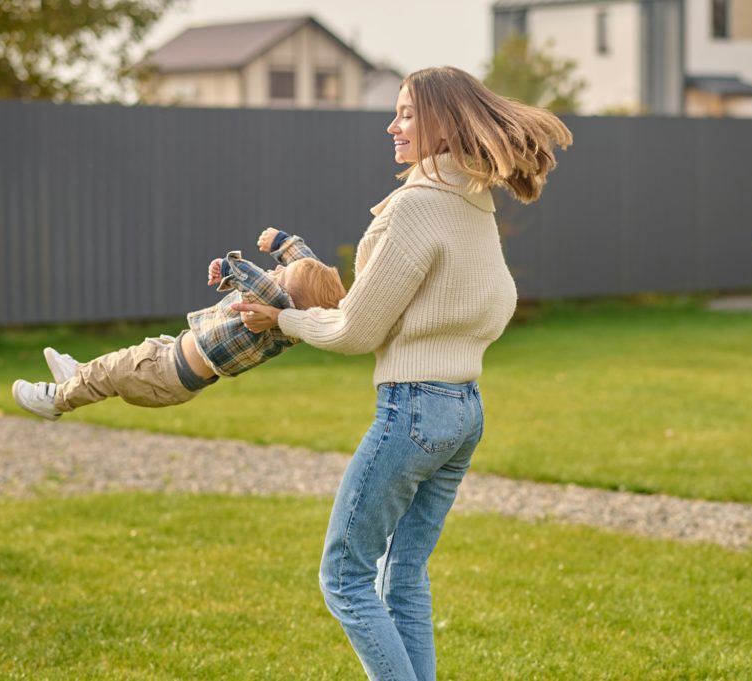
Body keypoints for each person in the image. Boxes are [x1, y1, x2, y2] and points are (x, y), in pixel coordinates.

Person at [232, 66, 572, 680]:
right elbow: (497, 303)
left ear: (445, 122)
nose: (394, 126)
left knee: (345, 579)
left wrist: (280, 323)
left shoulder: (419, 206)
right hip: (465, 410)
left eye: (408, 113)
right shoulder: (472, 201)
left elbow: (357, 330)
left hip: (414, 409)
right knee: (404, 577)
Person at [10, 228, 346, 420]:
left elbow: (262, 282)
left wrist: (231, 267)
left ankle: (55, 400)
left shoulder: (273, 307)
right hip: (170, 357)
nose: (274, 271)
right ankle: (78, 376)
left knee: (114, 371)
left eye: (280, 274)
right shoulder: (290, 313)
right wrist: (285, 246)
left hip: (167, 373)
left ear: (286, 295)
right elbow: (308, 270)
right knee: (115, 365)